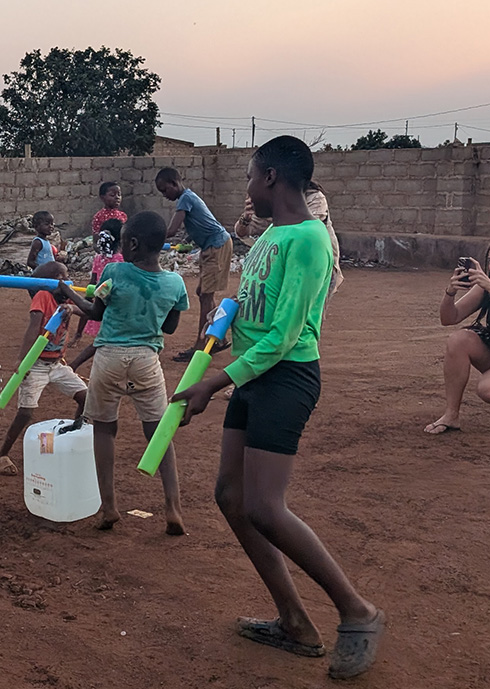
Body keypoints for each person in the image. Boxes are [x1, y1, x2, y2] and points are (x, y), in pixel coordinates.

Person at [173, 136, 383, 680]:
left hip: (286, 377)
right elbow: (259, 310)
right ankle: (293, 621)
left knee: (265, 506)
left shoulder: (311, 240)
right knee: (230, 495)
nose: (245, 188)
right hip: (254, 372)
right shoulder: (270, 237)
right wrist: (227, 320)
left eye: (248, 177)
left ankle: (357, 612)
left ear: (270, 178)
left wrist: (215, 382)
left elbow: (287, 336)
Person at [61, 211, 188, 535]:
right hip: (147, 360)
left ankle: (109, 506)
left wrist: (68, 292)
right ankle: (172, 506)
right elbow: (170, 327)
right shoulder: (175, 282)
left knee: (104, 430)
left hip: (109, 359)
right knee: (158, 434)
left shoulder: (115, 271)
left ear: (131, 244)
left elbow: (94, 311)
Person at [0, 262, 87, 476]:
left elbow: (88, 310)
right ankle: (1, 455)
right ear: (53, 280)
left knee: (85, 398)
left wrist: (71, 304)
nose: (67, 280)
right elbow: (33, 328)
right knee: (26, 412)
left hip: (57, 364)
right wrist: (22, 361)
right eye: (63, 277)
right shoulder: (43, 296)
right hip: (36, 364)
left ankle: (74, 436)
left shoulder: (67, 298)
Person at [425, 235, 490, 434]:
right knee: (459, 340)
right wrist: (450, 292)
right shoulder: (489, 284)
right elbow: (449, 318)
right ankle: (451, 415)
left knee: (489, 390)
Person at [155, 167, 234, 361]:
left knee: (206, 295)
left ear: (175, 183)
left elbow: (172, 230)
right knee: (203, 293)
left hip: (216, 245)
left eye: (165, 190)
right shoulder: (188, 197)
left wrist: (150, 236)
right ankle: (218, 338)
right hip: (213, 245)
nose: (165, 195)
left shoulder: (185, 199)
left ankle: (200, 347)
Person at [235, 180, 344, 299]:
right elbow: (242, 233)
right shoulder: (271, 202)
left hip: (315, 266)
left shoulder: (314, 198)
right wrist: (246, 217)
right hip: (285, 268)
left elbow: (305, 235)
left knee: (310, 311)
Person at [68, 218, 124, 371]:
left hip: (99, 298)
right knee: (104, 339)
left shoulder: (98, 258)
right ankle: (74, 365)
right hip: (114, 304)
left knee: (105, 337)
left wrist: (89, 297)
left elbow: (93, 281)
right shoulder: (121, 260)